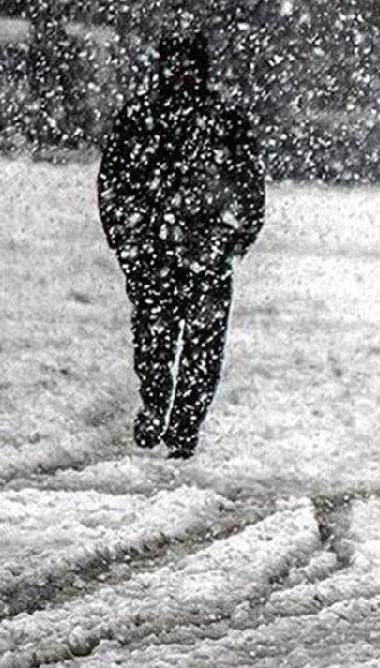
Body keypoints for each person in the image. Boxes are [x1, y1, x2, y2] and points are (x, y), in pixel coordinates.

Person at [98, 32, 265, 459]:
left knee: (200, 347)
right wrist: (127, 240)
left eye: (190, 67)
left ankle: (184, 425)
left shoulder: (222, 121)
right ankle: (157, 405)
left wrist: (233, 238)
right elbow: (113, 186)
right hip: (157, 250)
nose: (183, 76)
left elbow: (249, 187)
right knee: (155, 339)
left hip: (202, 251)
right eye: (177, 66)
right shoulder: (141, 119)